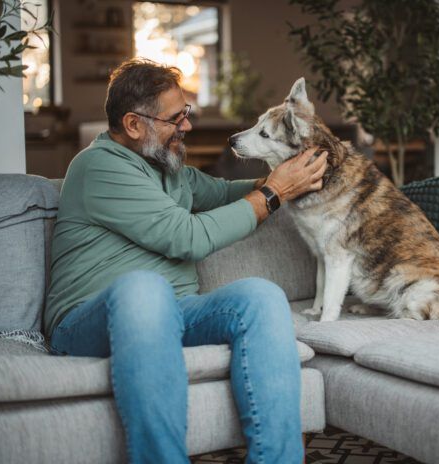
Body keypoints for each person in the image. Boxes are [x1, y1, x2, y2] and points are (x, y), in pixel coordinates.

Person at [43, 58, 328, 464]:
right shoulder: (98, 167)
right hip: (86, 320)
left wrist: (284, 179)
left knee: (261, 297)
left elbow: (219, 191)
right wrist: (273, 195)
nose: (188, 126)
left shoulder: (165, 165)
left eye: (187, 113)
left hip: (176, 313)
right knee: (145, 287)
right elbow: (187, 237)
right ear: (133, 124)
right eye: (175, 118)